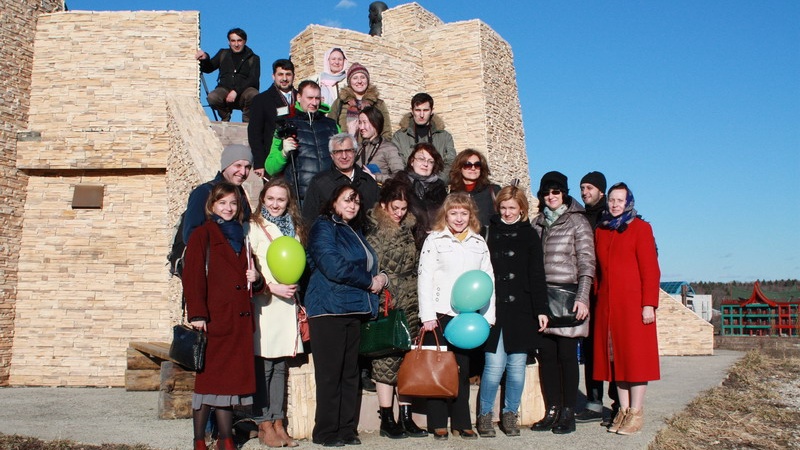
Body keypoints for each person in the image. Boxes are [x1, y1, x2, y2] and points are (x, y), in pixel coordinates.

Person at [183, 182, 264, 450]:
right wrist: (197, 314)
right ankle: (199, 440)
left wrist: (257, 279)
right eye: (222, 203)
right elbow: (193, 277)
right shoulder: (202, 234)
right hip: (214, 320)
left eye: (233, 203)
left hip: (238, 322)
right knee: (208, 384)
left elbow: (253, 281)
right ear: (212, 205)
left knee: (227, 386)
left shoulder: (242, 236)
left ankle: (225, 439)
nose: (228, 208)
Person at [305, 185, 386, 447]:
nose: (352, 205)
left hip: (355, 309)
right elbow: (332, 265)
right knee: (330, 374)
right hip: (328, 308)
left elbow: (368, 263)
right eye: (347, 200)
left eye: (356, 201)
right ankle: (325, 431)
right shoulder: (323, 227)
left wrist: (381, 278)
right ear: (333, 202)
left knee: (350, 373)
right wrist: (369, 281)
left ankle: (346, 429)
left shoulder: (354, 230)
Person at [417, 192, 495, 441]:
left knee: (463, 369)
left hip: (468, 318)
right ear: (446, 215)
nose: (459, 218)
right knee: (438, 369)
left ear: (471, 215)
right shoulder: (435, 240)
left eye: (464, 213)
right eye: (454, 213)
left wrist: (488, 316)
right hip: (439, 314)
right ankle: (438, 422)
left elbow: (488, 280)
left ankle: (462, 422)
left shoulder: (478, 242)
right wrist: (427, 315)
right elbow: (425, 277)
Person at [476, 185, 547, 438]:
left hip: (522, 309)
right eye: (503, 208)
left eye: (512, 208)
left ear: (522, 209)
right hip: (494, 308)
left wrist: (541, 309)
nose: (507, 213)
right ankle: (484, 415)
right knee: (494, 366)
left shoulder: (530, 235)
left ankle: (510, 414)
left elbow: (537, 274)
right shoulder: (489, 231)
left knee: (517, 368)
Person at [593, 182, 661, 436]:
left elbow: (650, 269)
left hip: (634, 305)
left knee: (635, 360)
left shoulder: (641, 228)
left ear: (628, 202)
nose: (614, 204)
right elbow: (598, 270)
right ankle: (622, 409)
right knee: (615, 361)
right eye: (611, 200)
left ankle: (636, 411)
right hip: (608, 306)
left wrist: (649, 304)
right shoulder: (602, 230)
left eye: (619, 200)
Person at [362, 177, 427, 439]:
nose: (399, 213)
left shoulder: (408, 228)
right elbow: (374, 269)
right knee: (386, 361)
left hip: (411, 302)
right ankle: (387, 419)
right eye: (394, 208)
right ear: (383, 205)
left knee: (408, 362)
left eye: (403, 208)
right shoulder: (375, 231)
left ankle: (407, 417)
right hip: (388, 303)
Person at [531, 171, 595, 435]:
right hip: (543, 299)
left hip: (568, 297)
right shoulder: (536, 223)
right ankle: (552, 409)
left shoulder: (577, 222)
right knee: (547, 357)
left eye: (556, 191)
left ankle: (568, 411)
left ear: (564, 193)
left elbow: (587, 262)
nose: (551, 196)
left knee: (567, 356)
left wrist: (582, 297)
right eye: (546, 192)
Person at [246, 178, 307, 448]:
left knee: (280, 365)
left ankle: (278, 421)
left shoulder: (294, 228)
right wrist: (271, 287)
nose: (275, 204)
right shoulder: (253, 227)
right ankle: (264, 423)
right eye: (270, 198)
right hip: (265, 303)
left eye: (281, 199)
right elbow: (249, 268)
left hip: (287, 304)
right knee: (264, 365)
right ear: (262, 199)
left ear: (288, 202)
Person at [575, 171, 619, 425]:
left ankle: (617, 403)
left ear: (601, 191)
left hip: (606, 290)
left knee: (611, 348)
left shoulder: (610, 217)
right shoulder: (581, 217)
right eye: (582, 188)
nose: (585, 192)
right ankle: (593, 402)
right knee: (590, 348)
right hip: (587, 291)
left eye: (589, 188)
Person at [265, 80, 339, 205]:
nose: (314, 102)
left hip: (330, 197)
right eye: (310, 98)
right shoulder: (286, 126)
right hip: (300, 199)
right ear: (299, 97)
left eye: (317, 98)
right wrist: (283, 153)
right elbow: (270, 168)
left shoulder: (332, 126)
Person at [301, 132, 380, 224]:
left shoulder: (368, 181)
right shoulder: (319, 182)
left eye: (348, 150)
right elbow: (308, 219)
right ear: (331, 155)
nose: (344, 156)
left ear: (355, 152)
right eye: (338, 152)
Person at [183, 144, 253, 244]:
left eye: (247, 167)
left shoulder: (240, 194)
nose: (243, 172)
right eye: (238, 165)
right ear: (226, 166)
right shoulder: (204, 192)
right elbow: (190, 236)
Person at [196, 28, 260, 122]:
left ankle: (247, 122)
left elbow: (253, 79)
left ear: (245, 41)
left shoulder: (254, 58)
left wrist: (236, 91)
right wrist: (205, 57)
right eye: (233, 41)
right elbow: (209, 68)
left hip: (244, 93)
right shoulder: (223, 54)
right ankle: (225, 117)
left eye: (239, 40)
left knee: (254, 94)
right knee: (212, 97)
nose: (236, 44)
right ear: (228, 42)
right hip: (224, 91)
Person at [392, 93, 456, 183]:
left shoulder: (445, 137)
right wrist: (413, 183)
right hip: (409, 187)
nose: (421, 115)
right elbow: (397, 164)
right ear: (412, 111)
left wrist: (436, 182)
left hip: (437, 187)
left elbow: (450, 163)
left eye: (425, 110)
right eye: (418, 110)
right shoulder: (399, 137)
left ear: (432, 111)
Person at [248, 59, 297, 178]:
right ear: (273, 76)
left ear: (293, 76)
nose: (284, 78)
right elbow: (254, 133)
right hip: (272, 160)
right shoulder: (261, 100)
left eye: (288, 74)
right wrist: (259, 162)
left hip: (298, 159)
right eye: (280, 74)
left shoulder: (302, 98)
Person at [395, 142, 447, 249]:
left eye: (430, 161)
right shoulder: (399, 184)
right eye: (421, 159)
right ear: (412, 161)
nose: (425, 164)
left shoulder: (439, 187)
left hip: (437, 243)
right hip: (407, 243)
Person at [328, 63, 392, 139]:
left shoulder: (378, 104)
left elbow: (386, 133)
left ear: (367, 80)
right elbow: (329, 128)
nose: (359, 81)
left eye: (363, 77)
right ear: (349, 82)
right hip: (345, 145)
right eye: (355, 78)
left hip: (372, 146)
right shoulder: (340, 103)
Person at [448, 149, 500, 232]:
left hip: (488, 238)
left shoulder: (493, 191)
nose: (473, 168)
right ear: (460, 168)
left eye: (477, 165)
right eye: (468, 165)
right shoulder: (452, 194)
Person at [357, 105, 405, 183]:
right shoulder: (359, 148)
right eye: (360, 122)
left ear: (375, 123)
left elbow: (400, 177)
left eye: (364, 122)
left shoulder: (389, 148)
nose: (361, 127)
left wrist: (376, 177)